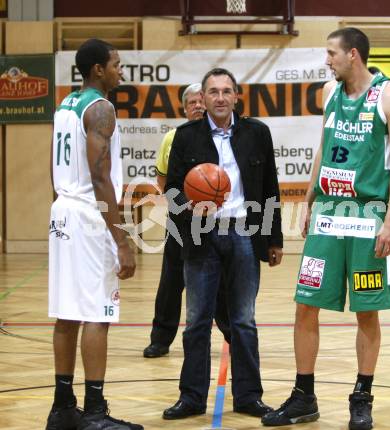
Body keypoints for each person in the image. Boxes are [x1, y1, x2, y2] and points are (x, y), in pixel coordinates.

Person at [262, 28, 390, 429]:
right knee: (306, 303)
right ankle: (303, 396)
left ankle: (362, 397)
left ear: (354, 55)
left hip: (367, 216)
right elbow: (324, 146)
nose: (327, 60)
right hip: (328, 214)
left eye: (332, 54)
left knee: (366, 310)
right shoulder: (329, 94)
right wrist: (310, 198)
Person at [162, 68, 283, 420]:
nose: (219, 97)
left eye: (226, 91)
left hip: (245, 232)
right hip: (201, 234)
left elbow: (270, 188)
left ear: (236, 96)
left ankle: (248, 396)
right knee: (197, 319)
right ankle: (191, 397)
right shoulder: (186, 137)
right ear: (203, 97)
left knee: (244, 320)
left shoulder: (257, 133)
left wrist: (273, 238)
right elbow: (171, 192)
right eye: (212, 91)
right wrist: (193, 209)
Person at [46, 39, 142, 430]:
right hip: (89, 216)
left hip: (63, 211)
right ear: (98, 70)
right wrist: (121, 239)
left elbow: (54, 167)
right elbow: (101, 177)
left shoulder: (65, 105)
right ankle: (96, 413)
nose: (121, 70)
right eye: (117, 64)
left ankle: (63, 408)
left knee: (66, 315)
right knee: (97, 315)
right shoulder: (100, 108)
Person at [143, 83, 231, 359]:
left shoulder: (221, 137)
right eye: (191, 102)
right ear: (184, 107)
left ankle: (233, 334)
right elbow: (163, 178)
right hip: (181, 221)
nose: (197, 106)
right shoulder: (174, 137)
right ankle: (160, 339)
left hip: (217, 221)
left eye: (199, 101)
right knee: (171, 281)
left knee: (219, 281)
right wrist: (183, 207)